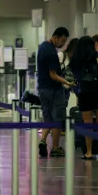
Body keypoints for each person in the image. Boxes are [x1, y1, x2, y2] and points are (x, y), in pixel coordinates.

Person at [71, 36, 98, 159]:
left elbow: (74, 77)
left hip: (85, 92)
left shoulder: (76, 59)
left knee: (87, 123)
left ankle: (89, 152)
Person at [37, 27, 71, 158]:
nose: (63, 44)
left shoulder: (43, 46)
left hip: (42, 89)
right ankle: (56, 148)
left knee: (48, 118)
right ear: (56, 37)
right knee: (58, 119)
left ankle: (43, 141)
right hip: (54, 89)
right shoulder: (51, 52)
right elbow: (53, 75)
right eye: (62, 40)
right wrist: (67, 82)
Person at [59, 38, 79, 105]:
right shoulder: (61, 56)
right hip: (59, 90)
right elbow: (53, 74)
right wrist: (64, 83)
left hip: (69, 90)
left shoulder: (75, 60)